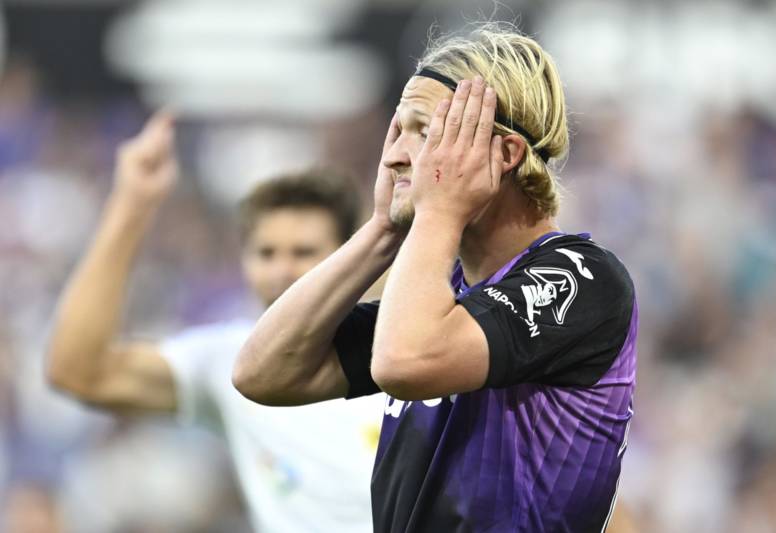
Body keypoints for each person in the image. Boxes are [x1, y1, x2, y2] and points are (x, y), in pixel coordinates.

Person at [234, 23, 637, 533]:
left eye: (424, 132)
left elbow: (404, 362)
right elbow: (263, 373)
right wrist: (382, 231)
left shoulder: (582, 277)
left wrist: (436, 212)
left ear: (505, 154)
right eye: (397, 131)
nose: (393, 155)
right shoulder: (443, 298)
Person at [46, 113, 383, 533]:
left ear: (348, 256)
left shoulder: (393, 349)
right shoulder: (230, 361)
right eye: (266, 253)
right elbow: (80, 373)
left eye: (303, 252)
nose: (282, 271)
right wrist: (132, 204)